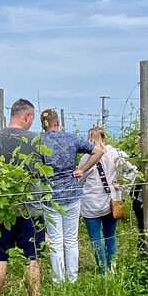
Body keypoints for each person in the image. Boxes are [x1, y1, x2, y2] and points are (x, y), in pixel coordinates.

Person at [0, 98, 44, 296]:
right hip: (31, 208)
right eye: (31, 119)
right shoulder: (36, 139)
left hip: (1, 207)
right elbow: (41, 172)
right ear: (26, 116)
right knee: (32, 258)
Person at [39, 109, 103, 283]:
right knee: (71, 239)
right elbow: (98, 152)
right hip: (72, 194)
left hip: (51, 195)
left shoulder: (39, 142)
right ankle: (72, 278)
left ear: (43, 124)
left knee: (55, 241)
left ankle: (58, 280)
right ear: (57, 122)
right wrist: (81, 169)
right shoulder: (71, 138)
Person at [79, 127, 137, 274]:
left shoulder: (86, 158)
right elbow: (133, 171)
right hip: (112, 200)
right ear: (105, 138)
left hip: (91, 203)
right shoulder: (117, 154)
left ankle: (101, 270)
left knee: (95, 239)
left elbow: (80, 180)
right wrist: (123, 187)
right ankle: (112, 267)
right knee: (111, 236)